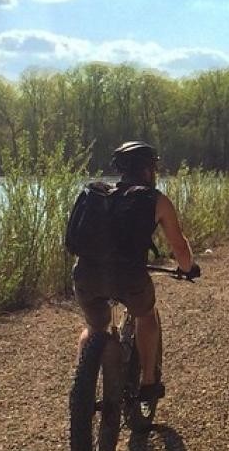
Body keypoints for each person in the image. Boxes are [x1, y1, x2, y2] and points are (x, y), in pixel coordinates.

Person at [72, 141, 199, 403]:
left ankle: (81, 390)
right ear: (148, 170)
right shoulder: (155, 199)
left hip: (87, 274)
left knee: (95, 328)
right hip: (130, 278)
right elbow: (178, 245)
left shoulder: (95, 194)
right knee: (147, 316)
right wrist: (188, 269)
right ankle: (149, 383)